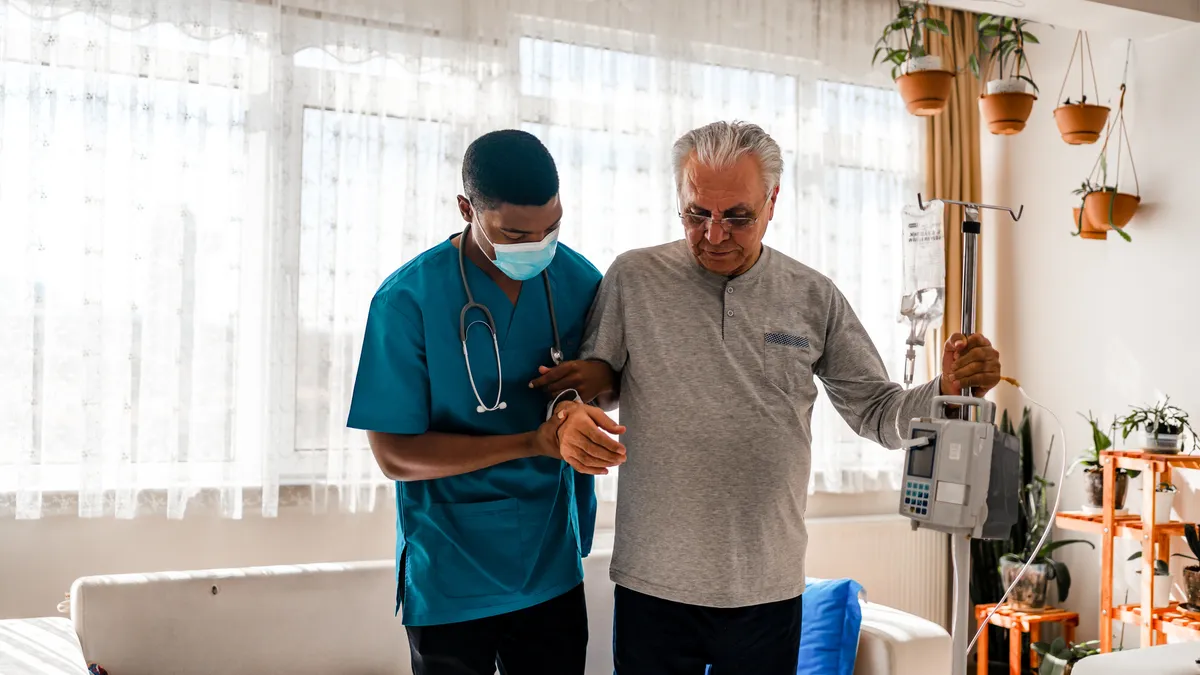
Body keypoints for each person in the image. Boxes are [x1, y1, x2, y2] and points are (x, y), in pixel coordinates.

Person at [536, 121, 1002, 674]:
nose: (714, 235)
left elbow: (879, 414)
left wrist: (947, 389)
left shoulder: (812, 296)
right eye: (696, 214)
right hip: (654, 585)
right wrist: (567, 414)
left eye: (738, 217)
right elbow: (589, 383)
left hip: (768, 589)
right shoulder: (634, 278)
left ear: (773, 202)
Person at [347, 129, 622, 675]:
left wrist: (592, 384)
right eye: (516, 233)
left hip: (551, 559)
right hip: (452, 566)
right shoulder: (408, 299)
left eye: (551, 228)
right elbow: (395, 455)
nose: (537, 247)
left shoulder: (579, 280)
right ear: (466, 208)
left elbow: (615, 387)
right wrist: (531, 442)